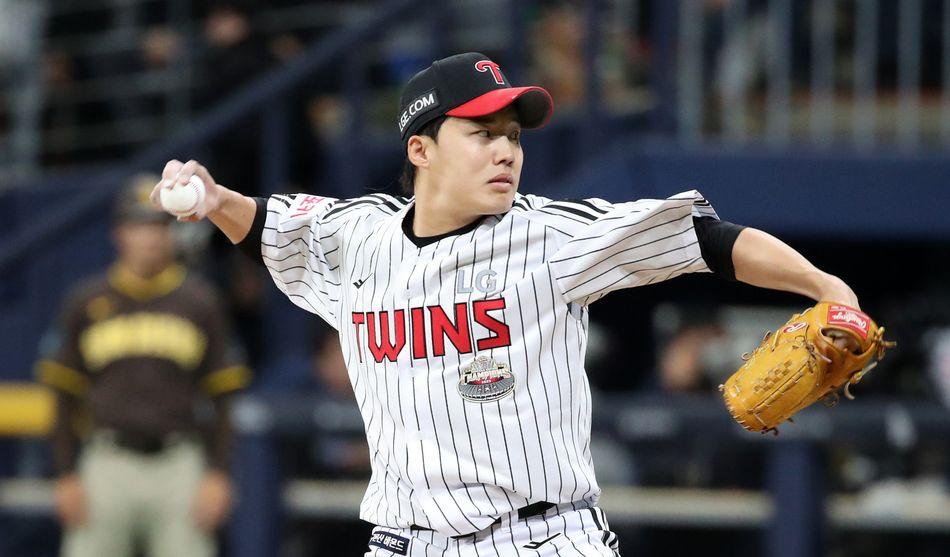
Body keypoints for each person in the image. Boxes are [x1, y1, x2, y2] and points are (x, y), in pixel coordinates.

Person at [151, 52, 861, 556]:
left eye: (514, 136)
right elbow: (268, 223)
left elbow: (708, 239)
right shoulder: (358, 233)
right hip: (405, 540)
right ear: (422, 148)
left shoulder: (551, 235)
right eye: (483, 133)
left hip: (544, 537)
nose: (506, 152)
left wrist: (827, 288)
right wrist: (214, 201)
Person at [36, 174, 251, 557]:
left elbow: (224, 398)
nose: (150, 237)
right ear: (119, 233)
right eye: (139, 226)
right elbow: (61, 396)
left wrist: (219, 473)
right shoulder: (86, 300)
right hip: (106, 461)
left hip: (179, 463)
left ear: (174, 232)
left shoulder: (200, 301)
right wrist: (66, 474)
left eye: (159, 226)